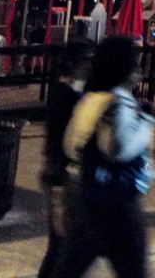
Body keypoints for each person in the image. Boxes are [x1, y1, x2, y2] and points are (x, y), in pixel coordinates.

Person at [55, 35, 155, 278]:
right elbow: (119, 149)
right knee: (134, 269)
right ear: (125, 67)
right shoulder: (119, 102)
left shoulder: (89, 99)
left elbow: (70, 145)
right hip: (117, 200)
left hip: (84, 194)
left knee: (70, 268)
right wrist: (146, 121)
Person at [38, 41, 94, 278]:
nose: (90, 67)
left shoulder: (70, 93)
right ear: (74, 65)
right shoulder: (67, 96)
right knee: (62, 246)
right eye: (87, 62)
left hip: (61, 177)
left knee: (64, 246)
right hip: (60, 179)